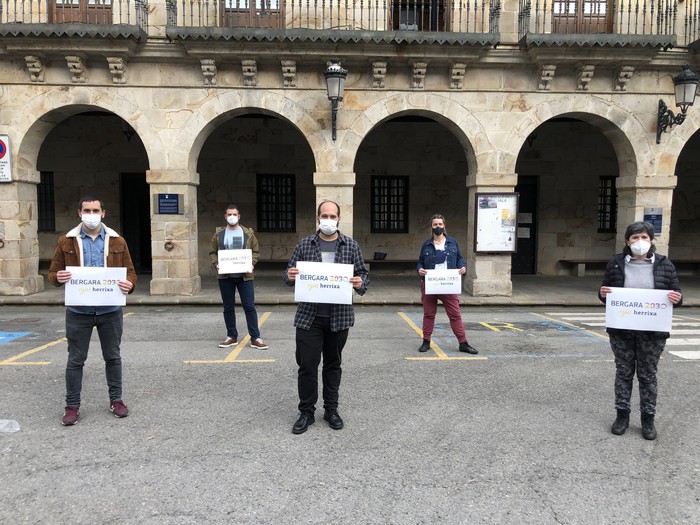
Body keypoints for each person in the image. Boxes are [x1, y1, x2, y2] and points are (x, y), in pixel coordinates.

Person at [48, 196, 137, 426]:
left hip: (110, 310)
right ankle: (72, 406)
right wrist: (57, 278)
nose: (91, 213)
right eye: (87, 210)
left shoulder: (118, 241)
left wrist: (130, 284)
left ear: (103, 213)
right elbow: (52, 273)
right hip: (79, 311)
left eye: (95, 210)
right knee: (75, 360)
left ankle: (116, 400)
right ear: (79, 213)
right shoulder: (66, 241)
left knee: (113, 356)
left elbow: (131, 272)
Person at [284, 201, 370, 434]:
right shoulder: (305, 244)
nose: (328, 219)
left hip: (338, 318)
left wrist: (361, 282)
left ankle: (331, 409)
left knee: (333, 365)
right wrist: (290, 275)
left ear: (339, 219)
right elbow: (289, 273)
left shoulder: (350, 245)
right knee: (307, 366)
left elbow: (363, 273)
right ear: (317, 218)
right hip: (308, 318)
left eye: (332, 216)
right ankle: (306, 412)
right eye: (324, 215)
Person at [599, 221, 682, 440]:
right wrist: (603, 294)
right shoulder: (616, 263)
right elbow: (605, 293)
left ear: (651, 240)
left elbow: (676, 293)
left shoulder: (665, 264)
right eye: (635, 238)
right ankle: (622, 415)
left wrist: (677, 298)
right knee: (624, 373)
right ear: (627, 241)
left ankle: (648, 419)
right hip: (622, 330)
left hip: (652, 332)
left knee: (647, 375)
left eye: (644, 237)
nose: (640, 242)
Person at [416, 214, 477, 354]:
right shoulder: (426, 244)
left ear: (444, 226)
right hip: (430, 283)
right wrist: (419, 269)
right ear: (431, 227)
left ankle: (463, 343)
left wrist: (462, 267)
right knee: (429, 314)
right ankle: (426, 341)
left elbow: (460, 259)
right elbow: (420, 262)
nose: (438, 227)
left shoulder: (452, 242)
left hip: (448, 284)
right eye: (435, 224)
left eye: (440, 224)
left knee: (455, 315)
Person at [209, 204, 268, 349]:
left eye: (234, 214)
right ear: (225, 216)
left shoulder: (248, 233)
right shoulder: (219, 234)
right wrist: (216, 263)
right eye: (229, 214)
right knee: (228, 307)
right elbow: (212, 252)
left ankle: (255, 338)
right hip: (225, 276)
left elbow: (255, 251)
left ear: (239, 216)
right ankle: (231, 336)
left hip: (245, 276)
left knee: (249, 307)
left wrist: (252, 263)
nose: (232, 217)